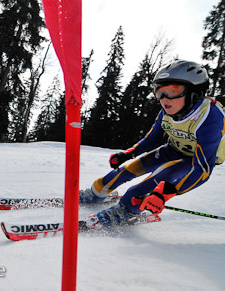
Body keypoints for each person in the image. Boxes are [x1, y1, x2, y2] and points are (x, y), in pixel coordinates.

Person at [81, 60, 225, 228]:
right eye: (159, 91)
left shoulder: (210, 117)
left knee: (154, 182)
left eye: (173, 90)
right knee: (128, 170)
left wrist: (164, 194)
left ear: (195, 92)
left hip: (197, 159)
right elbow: (153, 139)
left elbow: (202, 170)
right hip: (173, 149)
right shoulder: (167, 111)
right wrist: (129, 154)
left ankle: (125, 210)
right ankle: (97, 192)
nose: (164, 99)